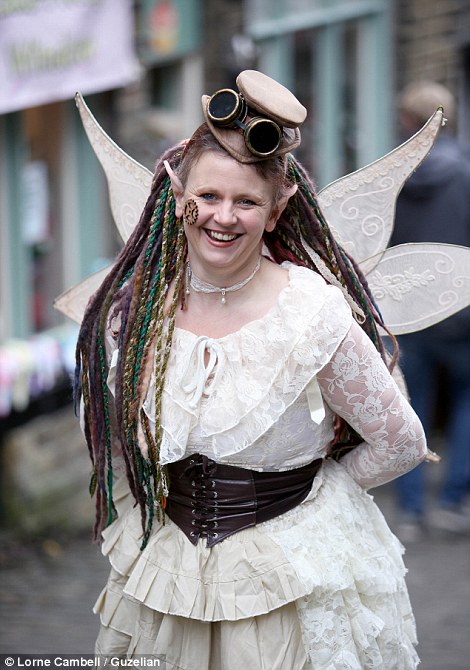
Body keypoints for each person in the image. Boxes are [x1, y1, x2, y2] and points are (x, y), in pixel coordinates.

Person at [75, 71, 428, 669]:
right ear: (177, 193)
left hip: (291, 575)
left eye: (246, 201)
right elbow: (107, 432)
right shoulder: (136, 313)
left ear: (276, 211)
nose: (223, 217)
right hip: (169, 572)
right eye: (209, 197)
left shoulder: (310, 312)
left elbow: (401, 442)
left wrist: (324, 496)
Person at [389, 81, 470, 540]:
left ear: (406, 120)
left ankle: (412, 510)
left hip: (408, 308)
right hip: (460, 309)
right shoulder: (464, 172)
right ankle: (454, 499)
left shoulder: (395, 174)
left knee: (409, 404)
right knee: (465, 399)